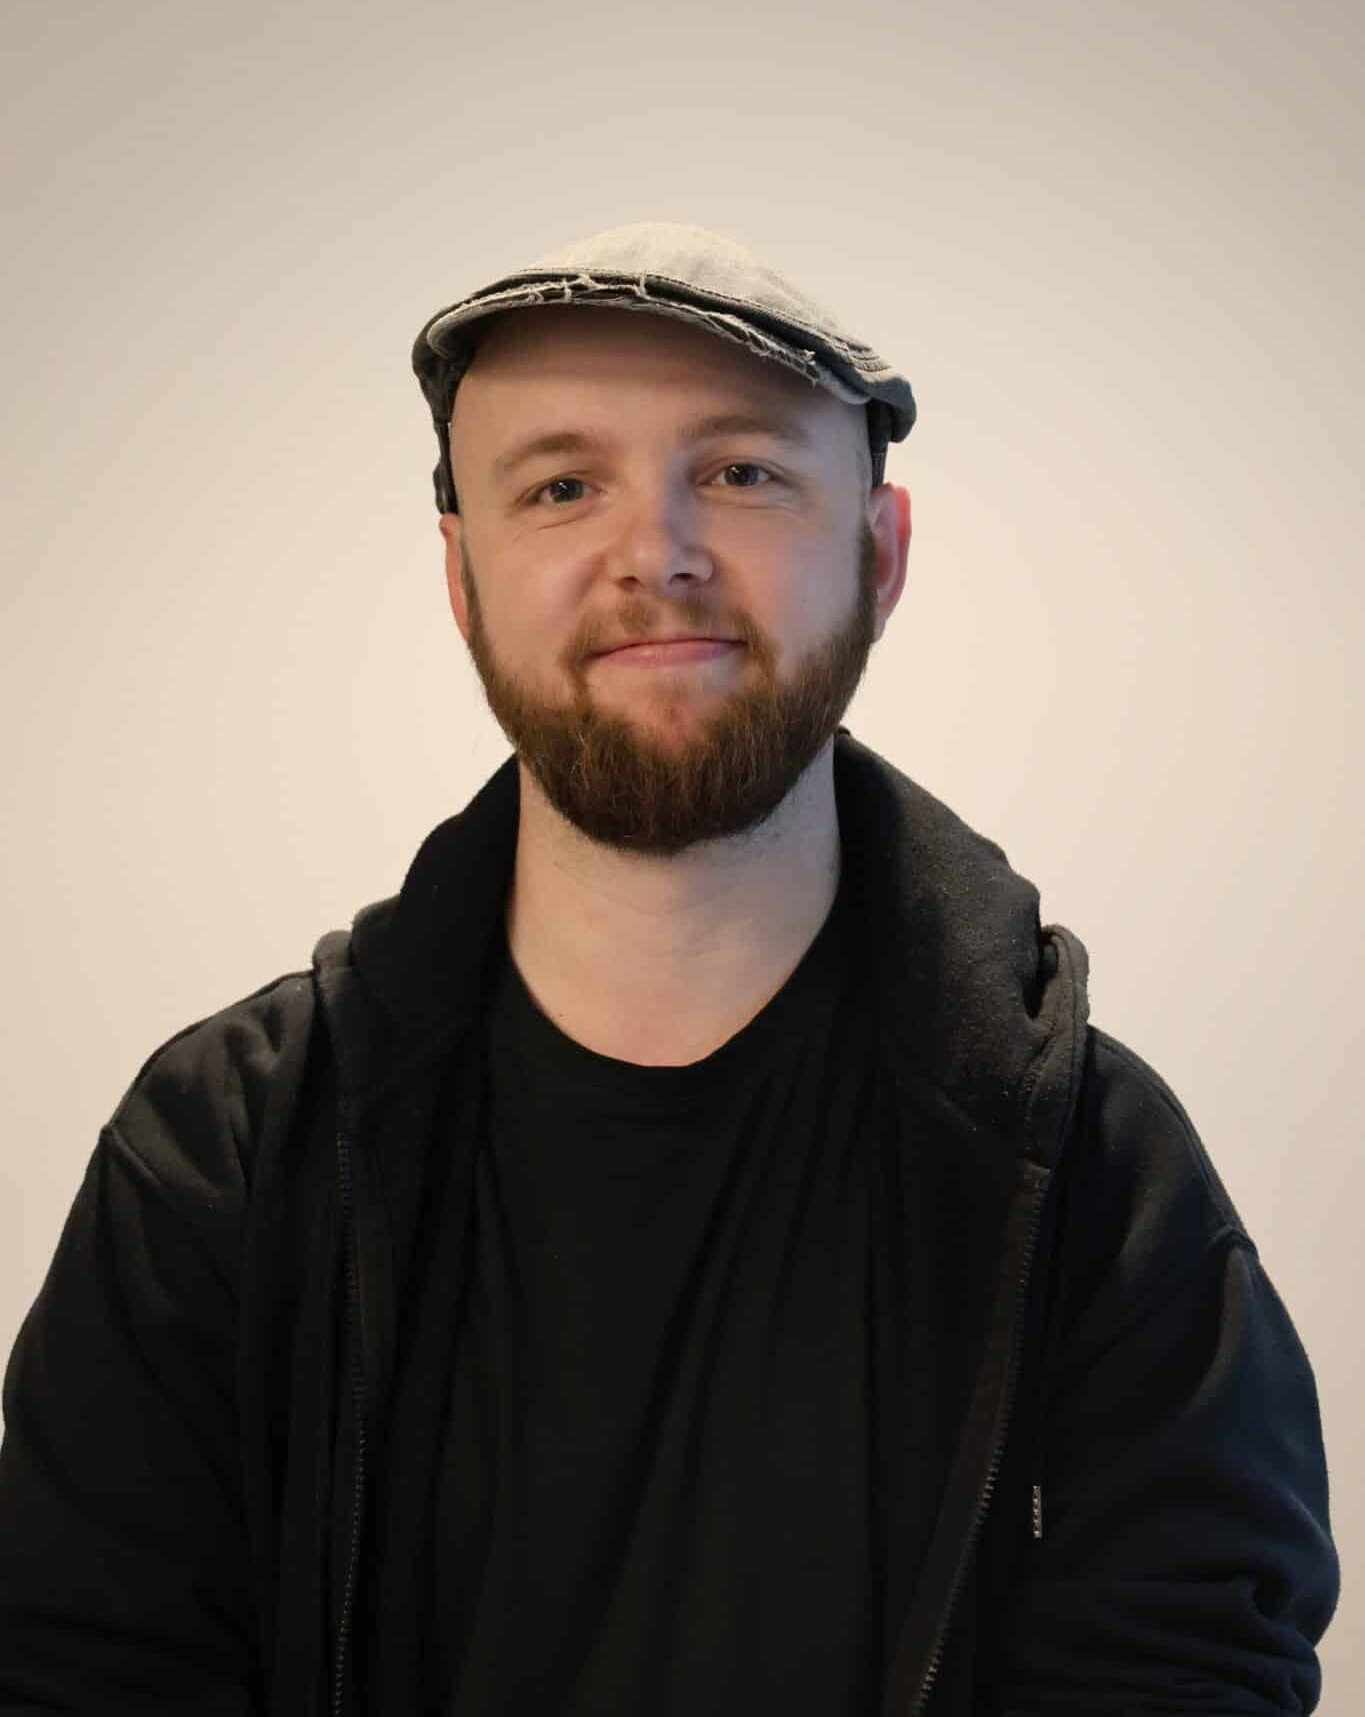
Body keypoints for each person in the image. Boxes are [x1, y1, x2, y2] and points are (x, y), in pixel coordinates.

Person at [0, 220, 1340, 1714]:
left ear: (879, 553)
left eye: (743, 471)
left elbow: (1189, 1671)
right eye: (560, 485)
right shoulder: (227, 1154)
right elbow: (83, 1670)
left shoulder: (1087, 1165)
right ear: (462, 576)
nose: (657, 552)